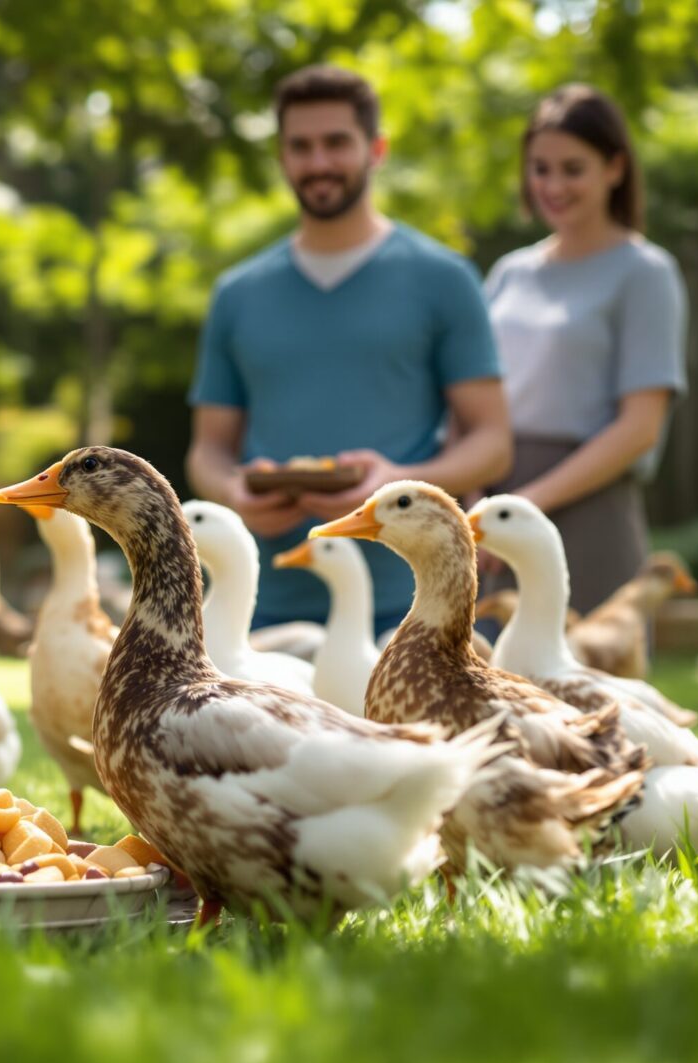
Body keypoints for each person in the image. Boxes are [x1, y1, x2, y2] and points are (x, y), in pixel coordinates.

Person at [186, 65, 512, 636]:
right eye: (301, 147)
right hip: (261, 606)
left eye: (336, 143)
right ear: (283, 157)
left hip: (414, 606)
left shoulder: (444, 279)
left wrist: (400, 481)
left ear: (376, 149)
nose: (318, 163)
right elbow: (208, 452)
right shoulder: (237, 293)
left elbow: (492, 442)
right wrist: (233, 491)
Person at [483, 84, 687, 614]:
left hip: (590, 511)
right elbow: (473, 402)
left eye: (572, 168)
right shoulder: (510, 273)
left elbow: (639, 427)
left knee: (588, 683)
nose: (553, 185)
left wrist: (528, 504)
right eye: (540, 168)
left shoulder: (644, 273)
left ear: (614, 168)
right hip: (495, 512)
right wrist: (478, 506)